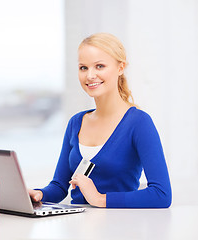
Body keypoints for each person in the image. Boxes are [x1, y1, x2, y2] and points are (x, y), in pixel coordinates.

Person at [28, 33, 172, 208]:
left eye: (100, 66)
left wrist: (99, 199)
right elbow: (59, 186)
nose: (90, 75)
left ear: (120, 68)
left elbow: (161, 194)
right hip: (78, 228)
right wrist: (39, 194)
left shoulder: (139, 123)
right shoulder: (76, 122)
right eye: (83, 68)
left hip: (120, 228)